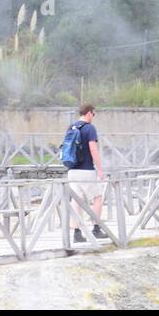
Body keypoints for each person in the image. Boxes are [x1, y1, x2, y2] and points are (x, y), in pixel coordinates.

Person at [66, 104, 107, 243]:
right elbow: (93, 150)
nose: (93, 117)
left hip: (72, 170)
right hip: (86, 170)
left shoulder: (71, 127)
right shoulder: (90, 128)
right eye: (94, 114)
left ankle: (76, 233)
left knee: (76, 201)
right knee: (97, 197)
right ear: (89, 113)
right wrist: (100, 169)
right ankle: (96, 229)